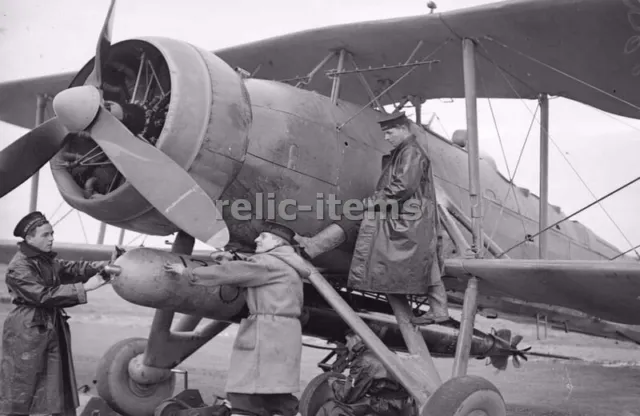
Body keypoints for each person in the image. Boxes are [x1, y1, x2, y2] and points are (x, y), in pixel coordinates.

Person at [164, 220, 309, 416]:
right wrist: (233, 260)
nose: (257, 239)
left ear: (277, 243)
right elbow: (250, 270)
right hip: (283, 333)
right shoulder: (289, 265)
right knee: (276, 393)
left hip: (266, 332)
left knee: (243, 393)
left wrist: (188, 272)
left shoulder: (268, 263)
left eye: (263, 237)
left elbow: (232, 273)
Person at [0, 211, 119, 416]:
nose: (52, 238)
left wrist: (105, 266)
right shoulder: (19, 266)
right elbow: (42, 296)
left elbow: (73, 268)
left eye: (52, 233)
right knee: (22, 386)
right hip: (28, 330)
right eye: (45, 235)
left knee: (56, 383)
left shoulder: (45, 260)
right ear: (29, 238)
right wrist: (85, 288)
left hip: (48, 326)